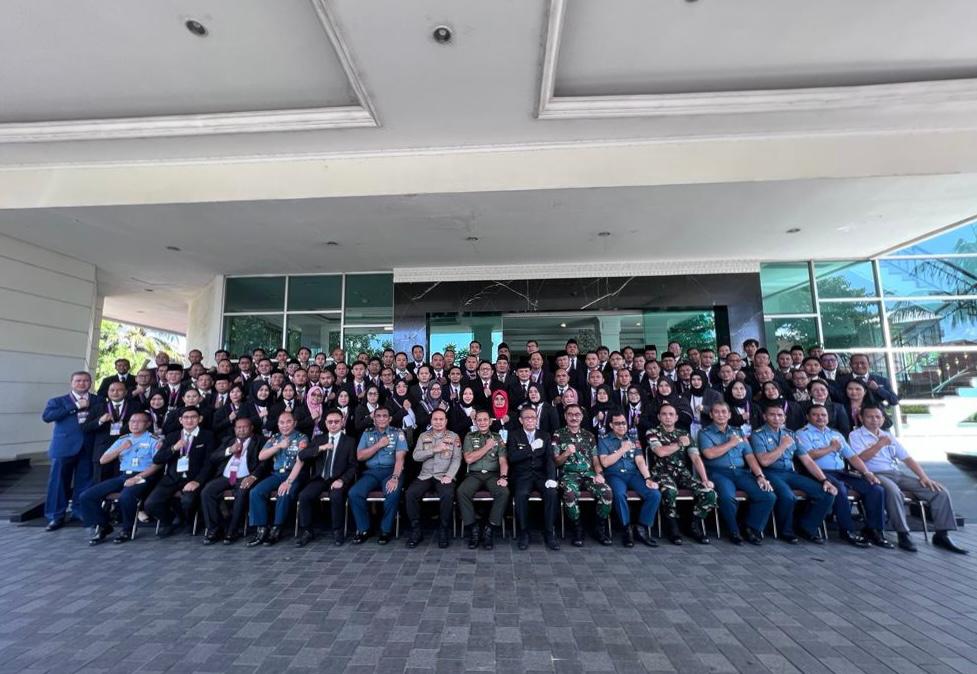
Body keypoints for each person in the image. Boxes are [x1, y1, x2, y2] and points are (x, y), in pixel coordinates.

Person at [850, 405, 967, 554]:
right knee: (894, 492)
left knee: (939, 491)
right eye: (870, 417)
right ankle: (903, 533)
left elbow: (907, 458)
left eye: (878, 417)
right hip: (873, 474)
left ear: (883, 419)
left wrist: (924, 477)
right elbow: (859, 459)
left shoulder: (888, 435)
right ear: (861, 418)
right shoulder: (855, 435)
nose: (874, 420)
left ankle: (942, 534)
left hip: (896, 473)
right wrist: (879, 445)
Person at [795, 405, 890, 549]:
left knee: (875, 488)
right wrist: (831, 448)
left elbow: (852, 457)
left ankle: (875, 530)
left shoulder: (836, 434)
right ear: (808, 417)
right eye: (815, 415)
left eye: (823, 415)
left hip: (840, 471)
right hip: (817, 472)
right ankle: (847, 530)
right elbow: (808, 456)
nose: (820, 418)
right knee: (839, 489)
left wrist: (867, 473)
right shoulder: (802, 433)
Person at [749, 406, 837, 544]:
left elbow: (807, 460)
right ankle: (786, 531)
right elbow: (764, 461)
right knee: (787, 497)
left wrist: (824, 479)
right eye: (772, 415)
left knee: (826, 493)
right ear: (765, 417)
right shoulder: (758, 434)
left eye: (780, 415)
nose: (776, 418)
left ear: (785, 418)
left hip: (790, 473)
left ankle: (807, 528)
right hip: (770, 473)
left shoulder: (790, 434)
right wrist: (783, 446)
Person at [75, 411, 161, 545]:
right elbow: (103, 460)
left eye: (139, 421)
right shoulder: (123, 439)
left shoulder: (154, 440)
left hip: (144, 477)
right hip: (123, 476)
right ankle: (103, 526)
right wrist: (121, 448)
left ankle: (127, 529)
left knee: (125, 496)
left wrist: (137, 477)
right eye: (132, 421)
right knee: (86, 496)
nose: (135, 424)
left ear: (148, 424)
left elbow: (158, 465)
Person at [699, 402, 776, 545]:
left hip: (741, 472)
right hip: (718, 472)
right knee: (727, 497)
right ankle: (733, 531)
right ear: (711, 415)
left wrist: (760, 476)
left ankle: (750, 528)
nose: (721, 415)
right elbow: (709, 454)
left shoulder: (738, 432)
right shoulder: (704, 433)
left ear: (729, 415)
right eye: (717, 412)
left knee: (768, 495)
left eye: (724, 412)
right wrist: (731, 443)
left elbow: (750, 456)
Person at [646, 404, 717, 545]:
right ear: (659, 417)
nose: (668, 417)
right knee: (670, 491)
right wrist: (679, 444)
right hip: (661, 473)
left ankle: (694, 525)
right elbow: (660, 452)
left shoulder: (684, 434)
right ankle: (672, 527)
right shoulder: (652, 432)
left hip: (682, 474)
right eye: (664, 414)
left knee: (710, 493)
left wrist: (705, 479)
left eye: (671, 414)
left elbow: (695, 458)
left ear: (676, 418)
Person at [145, 407, 215, 537]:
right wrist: (173, 448)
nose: (189, 420)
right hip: (172, 478)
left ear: (200, 419)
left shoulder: (207, 436)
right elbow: (157, 459)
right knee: (151, 503)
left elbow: (209, 463)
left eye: (193, 417)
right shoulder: (172, 436)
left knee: (188, 501)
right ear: (180, 420)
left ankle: (189, 521)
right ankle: (168, 522)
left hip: (194, 478)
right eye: (186, 417)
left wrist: (197, 481)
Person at [198, 417, 268, 545]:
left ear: (251, 427)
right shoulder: (228, 440)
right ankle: (214, 528)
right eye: (238, 427)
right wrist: (229, 450)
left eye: (244, 427)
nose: (241, 430)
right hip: (227, 477)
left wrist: (253, 476)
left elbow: (264, 463)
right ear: (234, 429)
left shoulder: (260, 441)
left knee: (241, 493)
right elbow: (213, 457)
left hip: (245, 476)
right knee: (207, 491)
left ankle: (233, 530)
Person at [42, 371, 97, 531]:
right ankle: (55, 516)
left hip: (88, 446)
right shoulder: (58, 401)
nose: (82, 383)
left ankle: (79, 511)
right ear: (71, 383)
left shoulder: (98, 400)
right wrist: (75, 406)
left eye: (85, 380)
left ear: (90, 383)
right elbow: (47, 417)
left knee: (85, 481)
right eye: (78, 381)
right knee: (58, 482)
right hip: (63, 447)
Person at [552, 404, 613, 547]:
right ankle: (577, 529)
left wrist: (599, 474)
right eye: (570, 414)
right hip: (568, 474)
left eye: (577, 414)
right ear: (565, 416)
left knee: (607, 492)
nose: (574, 417)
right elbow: (555, 462)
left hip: (589, 474)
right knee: (569, 494)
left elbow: (595, 460)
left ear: (582, 417)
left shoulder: (589, 436)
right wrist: (566, 453)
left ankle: (599, 528)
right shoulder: (558, 435)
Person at [296, 409, 359, 547]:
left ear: (342, 422)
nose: (333, 424)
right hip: (320, 478)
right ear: (325, 423)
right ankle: (307, 530)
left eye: (336, 421)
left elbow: (353, 466)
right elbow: (302, 455)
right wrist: (320, 448)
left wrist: (342, 480)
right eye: (330, 422)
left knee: (336, 496)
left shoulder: (350, 441)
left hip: (338, 478)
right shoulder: (319, 439)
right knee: (304, 495)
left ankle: (337, 530)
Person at [598, 412, 661, 548]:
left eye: (623, 423)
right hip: (614, 474)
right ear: (611, 425)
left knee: (654, 494)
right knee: (619, 494)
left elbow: (640, 461)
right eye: (617, 423)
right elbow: (605, 462)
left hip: (633, 474)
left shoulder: (633, 439)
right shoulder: (604, 440)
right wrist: (622, 449)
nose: (621, 426)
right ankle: (626, 529)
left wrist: (648, 478)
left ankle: (641, 528)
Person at [246, 411, 308, 546]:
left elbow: (300, 462)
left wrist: (288, 482)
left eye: (288, 422)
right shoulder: (275, 438)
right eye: (281, 422)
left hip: (294, 475)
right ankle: (262, 528)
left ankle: (276, 528)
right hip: (277, 474)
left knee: (283, 492)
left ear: (295, 423)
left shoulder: (302, 438)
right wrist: (278, 446)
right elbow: (261, 456)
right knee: (255, 492)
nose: (285, 425)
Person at [349, 407, 408, 544]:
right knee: (354, 493)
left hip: (391, 471)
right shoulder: (367, 433)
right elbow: (360, 456)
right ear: (374, 419)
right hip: (371, 473)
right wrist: (378, 445)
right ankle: (364, 529)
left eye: (385, 416)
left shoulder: (398, 433)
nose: (381, 419)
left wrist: (395, 478)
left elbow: (400, 459)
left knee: (392, 492)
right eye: (378, 416)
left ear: (390, 419)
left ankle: (385, 530)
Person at [404, 409, 462, 549]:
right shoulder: (423, 436)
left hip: (444, 475)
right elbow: (416, 456)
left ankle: (444, 530)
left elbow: (456, 459)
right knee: (410, 493)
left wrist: (449, 476)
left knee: (447, 494)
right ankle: (416, 530)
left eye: (441, 419)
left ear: (446, 421)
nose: (438, 422)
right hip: (426, 475)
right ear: (431, 421)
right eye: (435, 419)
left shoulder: (454, 437)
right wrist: (434, 449)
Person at [508, 407, 560, 551]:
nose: (530, 420)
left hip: (541, 475)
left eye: (533, 417)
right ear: (521, 420)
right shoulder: (514, 435)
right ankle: (524, 532)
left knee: (552, 493)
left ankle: (549, 531)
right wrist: (530, 448)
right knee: (521, 495)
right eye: (527, 417)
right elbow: (512, 457)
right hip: (522, 476)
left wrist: (551, 477)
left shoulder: (545, 435)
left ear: (537, 420)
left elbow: (549, 459)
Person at [457, 410, 510, 550]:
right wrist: (487, 446)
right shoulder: (469, 436)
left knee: (503, 492)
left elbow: (503, 460)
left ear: (490, 421)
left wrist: (503, 477)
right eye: (479, 420)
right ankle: (473, 528)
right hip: (474, 474)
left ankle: (489, 528)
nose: (482, 422)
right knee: (462, 491)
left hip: (493, 475)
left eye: (485, 419)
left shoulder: (497, 437)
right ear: (475, 422)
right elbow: (469, 459)